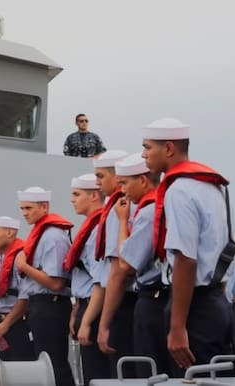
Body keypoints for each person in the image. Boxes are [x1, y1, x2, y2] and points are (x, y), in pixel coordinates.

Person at [142, 117, 235, 372]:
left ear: (169, 149)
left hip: (196, 308)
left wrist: (177, 327)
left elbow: (185, 259)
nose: (144, 155)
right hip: (217, 301)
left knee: (188, 377)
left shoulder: (180, 190)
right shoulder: (214, 188)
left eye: (148, 147)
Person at [97, 153, 172, 377]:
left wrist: (122, 221)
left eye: (125, 183)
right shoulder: (163, 204)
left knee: (149, 370)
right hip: (162, 298)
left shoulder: (147, 212)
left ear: (142, 180)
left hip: (153, 299)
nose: (122, 190)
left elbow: (125, 265)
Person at [13, 186, 75, 386]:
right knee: (43, 363)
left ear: (44, 207)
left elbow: (56, 283)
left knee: (54, 364)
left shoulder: (53, 237)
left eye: (29, 208)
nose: (24, 213)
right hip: (40, 305)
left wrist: (24, 266)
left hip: (52, 305)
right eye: (22, 208)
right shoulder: (40, 235)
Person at [62, 174, 111, 383]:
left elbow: (101, 281)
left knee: (97, 375)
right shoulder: (90, 227)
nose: (72, 199)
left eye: (76, 194)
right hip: (85, 305)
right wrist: (76, 310)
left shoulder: (99, 229)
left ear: (93, 196)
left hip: (96, 308)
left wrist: (87, 321)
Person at [92, 149, 137, 375]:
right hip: (134, 301)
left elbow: (118, 272)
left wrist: (104, 323)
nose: (97, 182)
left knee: (122, 374)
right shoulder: (125, 206)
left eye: (101, 176)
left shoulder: (118, 210)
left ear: (117, 176)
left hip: (124, 302)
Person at [0, 216, 35, 362]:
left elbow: (26, 296)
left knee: (21, 368)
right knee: (0, 369)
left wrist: (6, 324)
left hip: (17, 324)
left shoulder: (20, 258)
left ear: (10, 233)